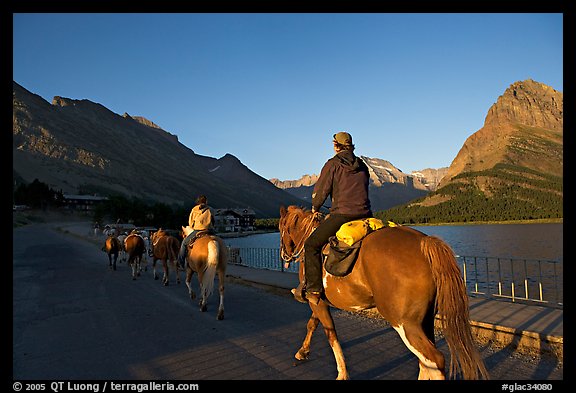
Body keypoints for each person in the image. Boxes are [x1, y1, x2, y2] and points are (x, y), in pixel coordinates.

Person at [293, 131, 372, 305]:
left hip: (343, 215)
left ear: (336, 145)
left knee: (311, 245)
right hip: (366, 215)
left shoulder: (333, 164)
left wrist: (315, 207)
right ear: (351, 146)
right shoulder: (363, 166)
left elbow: (321, 190)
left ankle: (314, 289)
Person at [178, 195, 215, 269]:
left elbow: (190, 223)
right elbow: (213, 221)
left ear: (198, 201)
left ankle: (180, 263)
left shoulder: (194, 209)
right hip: (209, 230)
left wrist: (194, 226)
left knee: (184, 243)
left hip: (198, 230)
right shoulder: (211, 209)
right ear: (206, 201)